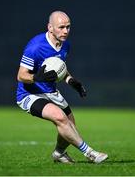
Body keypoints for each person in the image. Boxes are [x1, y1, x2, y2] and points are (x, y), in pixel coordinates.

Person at [16, 10, 108, 164]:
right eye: (61, 27)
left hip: (51, 92)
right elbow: (21, 75)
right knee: (60, 117)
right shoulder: (35, 47)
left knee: (70, 125)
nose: (65, 31)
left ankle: (59, 153)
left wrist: (72, 81)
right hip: (29, 94)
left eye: (68, 27)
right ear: (50, 27)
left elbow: (60, 70)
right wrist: (36, 77)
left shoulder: (65, 45)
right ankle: (90, 153)